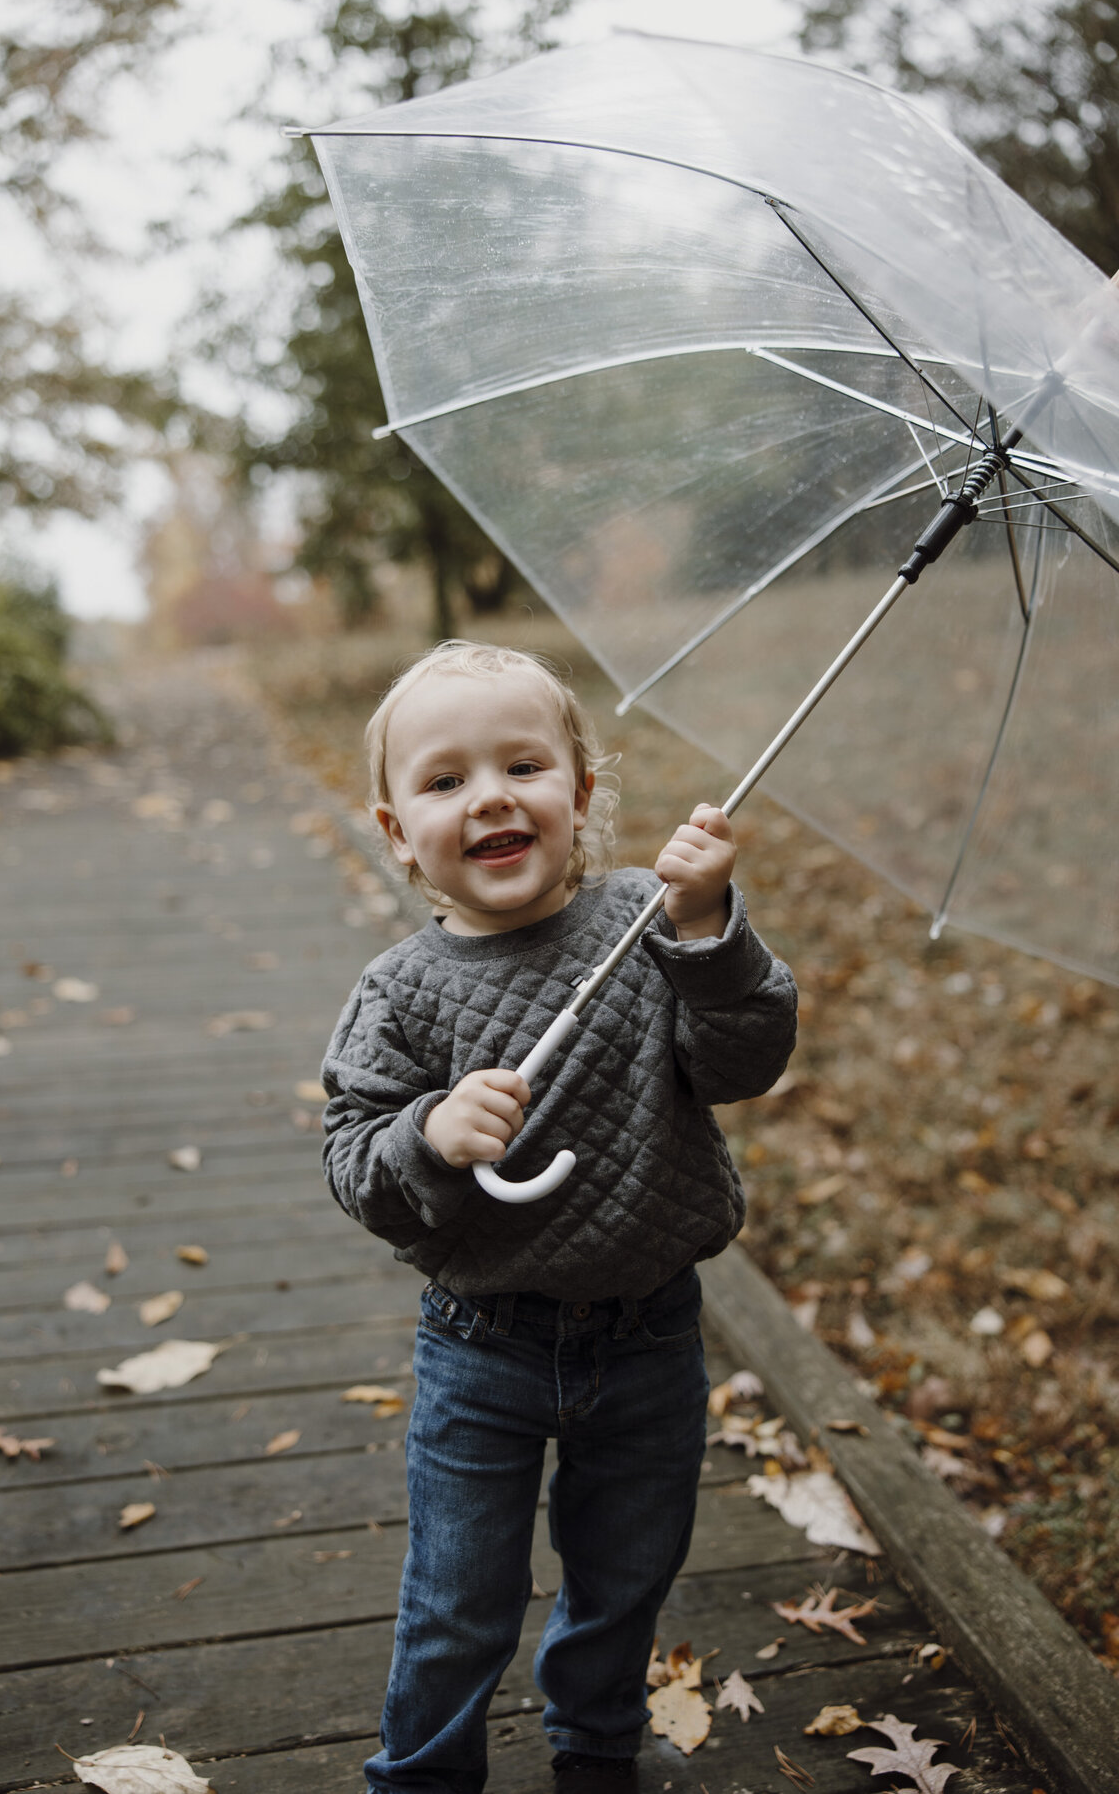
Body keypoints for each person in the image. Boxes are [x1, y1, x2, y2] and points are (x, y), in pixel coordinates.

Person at [321, 640, 797, 1794]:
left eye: (524, 765)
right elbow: (352, 1159)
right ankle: (423, 1775)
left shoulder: (648, 922)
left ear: (580, 797)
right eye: (444, 782)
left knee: (624, 1574)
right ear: (397, 831)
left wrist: (708, 924)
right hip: (482, 1345)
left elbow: (745, 1059)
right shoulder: (403, 987)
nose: (489, 794)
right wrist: (429, 1134)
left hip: (649, 1334)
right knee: (458, 1599)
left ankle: (594, 1750)